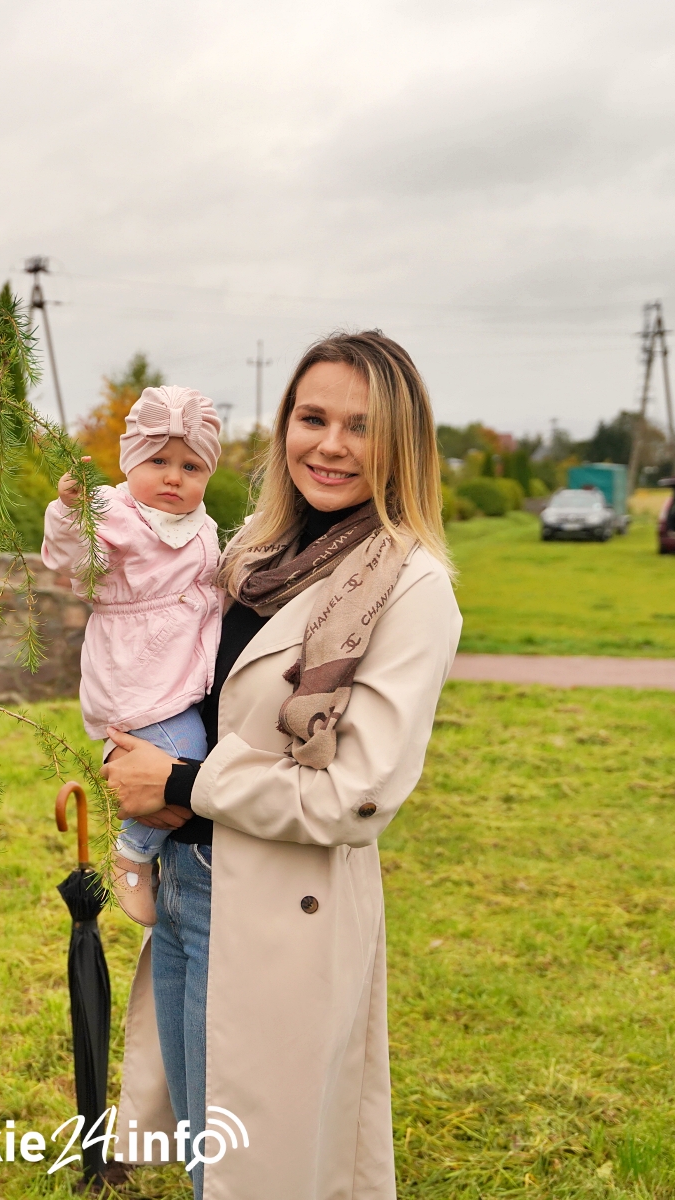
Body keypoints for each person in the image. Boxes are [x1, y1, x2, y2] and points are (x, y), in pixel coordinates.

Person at [106, 331, 462, 1200]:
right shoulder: (252, 558)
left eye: (361, 426)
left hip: (278, 906)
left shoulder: (412, 588)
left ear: (402, 446)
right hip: (191, 886)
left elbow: (357, 795)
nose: (330, 445)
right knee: (206, 1150)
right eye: (312, 418)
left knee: (259, 1170)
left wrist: (181, 785)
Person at [40, 386, 223, 926]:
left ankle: (151, 846)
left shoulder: (200, 523)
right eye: (158, 461)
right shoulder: (115, 512)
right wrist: (71, 510)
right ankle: (132, 854)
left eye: (191, 466)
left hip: (178, 664)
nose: (173, 477)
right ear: (130, 463)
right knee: (185, 755)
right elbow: (70, 555)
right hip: (137, 666)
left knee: (191, 759)